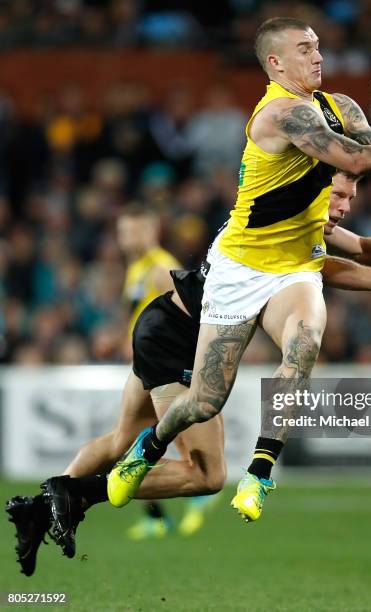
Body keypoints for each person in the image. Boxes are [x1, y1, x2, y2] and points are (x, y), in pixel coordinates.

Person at [105, 16, 371, 516]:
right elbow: (354, 162)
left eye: (318, 47)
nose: (318, 56)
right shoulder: (281, 115)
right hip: (240, 266)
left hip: (297, 265)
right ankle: (149, 447)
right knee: (203, 402)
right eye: (305, 49)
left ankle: (260, 472)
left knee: (305, 341)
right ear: (275, 62)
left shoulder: (341, 106)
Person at [6, 171, 371, 576]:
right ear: (313, 189)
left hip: (164, 324)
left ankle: (44, 506)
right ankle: (75, 498)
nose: (343, 208)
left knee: (118, 439)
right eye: (338, 195)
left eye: (350, 199)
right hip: (181, 339)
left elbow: (351, 253)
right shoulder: (279, 215)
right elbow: (333, 264)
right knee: (206, 475)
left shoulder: (302, 225)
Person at [117, 205, 219, 538]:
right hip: (146, 363)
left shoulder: (161, 268)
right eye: (123, 232)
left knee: (139, 440)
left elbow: (189, 313)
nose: (127, 239)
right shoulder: (137, 269)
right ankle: (163, 512)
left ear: (151, 232)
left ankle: (190, 495)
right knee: (143, 438)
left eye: (134, 231)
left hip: (164, 364)